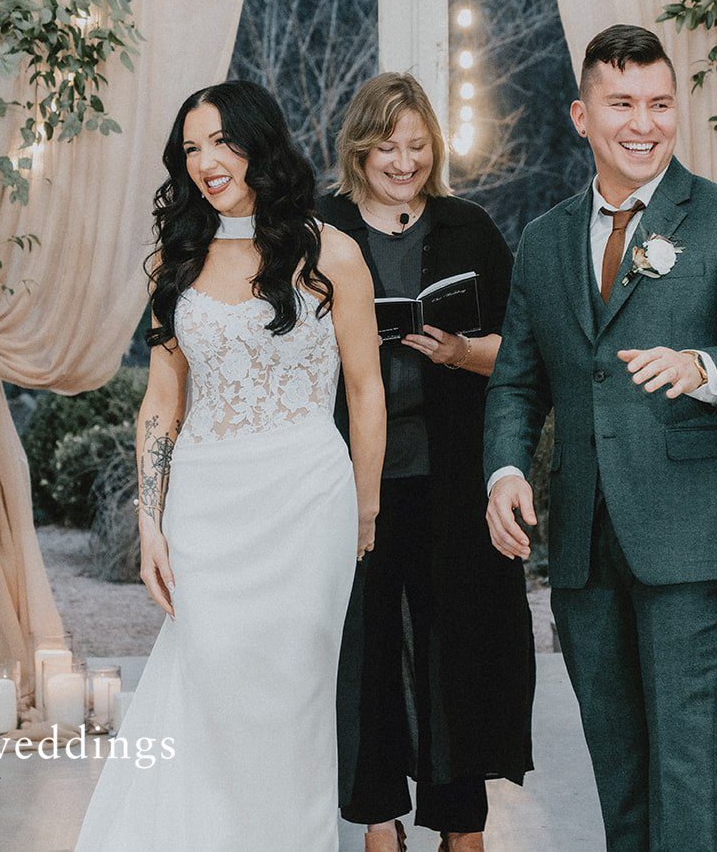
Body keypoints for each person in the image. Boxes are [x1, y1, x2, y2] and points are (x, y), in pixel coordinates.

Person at [482, 26, 717, 852]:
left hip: (690, 532)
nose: (644, 122)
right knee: (619, 762)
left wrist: (702, 366)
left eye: (660, 103)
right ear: (582, 115)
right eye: (623, 104)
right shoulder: (546, 239)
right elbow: (519, 378)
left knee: (688, 753)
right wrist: (506, 469)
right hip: (584, 539)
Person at [75, 80, 385, 851]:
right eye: (190, 148)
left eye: (220, 140)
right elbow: (159, 402)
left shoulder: (332, 252)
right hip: (207, 507)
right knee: (209, 685)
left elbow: (366, 389)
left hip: (308, 502)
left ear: (258, 142)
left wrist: (367, 507)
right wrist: (151, 522)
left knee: (293, 696)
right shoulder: (176, 261)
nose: (206, 160)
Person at [319, 73, 535, 852]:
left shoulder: (468, 228)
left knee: (458, 652)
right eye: (388, 146)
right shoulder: (321, 229)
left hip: (452, 478)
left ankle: (460, 822)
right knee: (366, 650)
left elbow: (526, 350)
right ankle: (380, 819)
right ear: (358, 149)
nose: (404, 161)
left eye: (417, 145)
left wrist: (464, 349)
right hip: (350, 479)